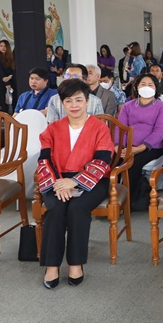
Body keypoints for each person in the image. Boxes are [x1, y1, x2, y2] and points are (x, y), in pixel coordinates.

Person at [35, 79, 115, 289]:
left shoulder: (100, 128)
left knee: (77, 208)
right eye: (68, 101)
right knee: (56, 208)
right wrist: (58, 184)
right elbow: (44, 160)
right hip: (57, 179)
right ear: (62, 103)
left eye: (79, 100)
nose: (74, 105)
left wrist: (74, 181)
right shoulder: (52, 129)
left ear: (87, 101)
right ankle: (51, 265)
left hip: (93, 180)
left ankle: (75, 263)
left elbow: (102, 161)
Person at [117, 73, 163, 208]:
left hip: (152, 148)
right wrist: (119, 147)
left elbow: (159, 131)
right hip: (128, 146)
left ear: (156, 88)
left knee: (133, 164)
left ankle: (127, 203)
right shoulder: (127, 106)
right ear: (136, 87)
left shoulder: (161, 107)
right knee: (113, 161)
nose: (147, 87)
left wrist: (139, 148)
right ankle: (110, 199)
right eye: (143, 84)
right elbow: (121, 128)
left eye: (150, 85)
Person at [0, 40, 16, 113]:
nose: (3, 48)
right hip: (1, 82)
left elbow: (14, 69)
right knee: (3, 101)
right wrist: (7, 82)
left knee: (14, 99)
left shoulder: (11, 57)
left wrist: (10, 76)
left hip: (12, 80)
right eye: (1, 46)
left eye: (5, 46)